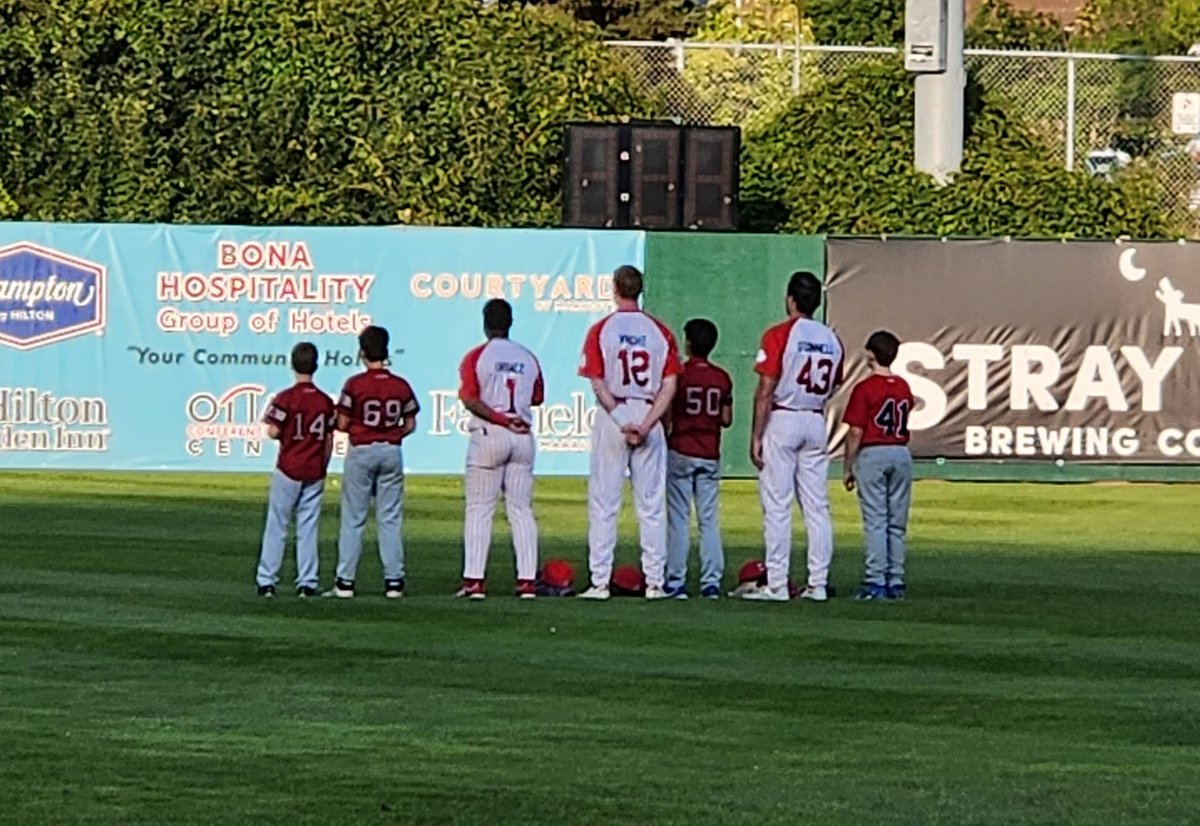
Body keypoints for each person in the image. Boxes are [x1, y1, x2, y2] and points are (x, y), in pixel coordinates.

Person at [577, 265, 682, 601]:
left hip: (614, 413)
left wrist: (624, 419)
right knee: (651, 504)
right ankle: (654, 582)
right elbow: (670, 384)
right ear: (639, 290)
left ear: (614, 289)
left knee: (604, 501)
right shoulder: (659, 331)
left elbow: (597, 381)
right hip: (647, 409)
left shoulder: (601, 329)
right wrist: (648, 422)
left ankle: (600, 582)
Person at [745, 271, 844, 603]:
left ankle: (776, 583)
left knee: (777, 505)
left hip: (784, 416)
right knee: (817, 507)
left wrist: (756, 435)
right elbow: (836, 383)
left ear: (790, 299)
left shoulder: (780, 334)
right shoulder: (832, 339)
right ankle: (817, 583)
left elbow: (765, 389)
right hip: (815, 418)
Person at [455, 298, 544, 601]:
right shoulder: (528, 357)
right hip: (522, 434)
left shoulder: (476, 356)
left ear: (485, 323)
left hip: (490, 432)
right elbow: (538, 397)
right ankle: (527, 582)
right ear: (510, 323)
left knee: (480, 509)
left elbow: (469, 398)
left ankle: (475, 582)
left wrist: (499, 417)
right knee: (521, 510)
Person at [327, 325, 419, 599]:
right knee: (389, 519)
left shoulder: (355, 384)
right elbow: (410, 423)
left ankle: (345, 582)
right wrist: (390, 434)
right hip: (391, 449)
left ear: (362, 352)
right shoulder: (400, 385)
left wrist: (363, 429)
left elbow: (342, 422)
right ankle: (394, 582)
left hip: (362, 448)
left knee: (353, 518)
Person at [255, 342, 336, 598]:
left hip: (289, 466)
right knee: (308, 527)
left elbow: (273, 430)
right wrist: (324, 465)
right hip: (314, 467)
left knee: (277, 525)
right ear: (316, 365)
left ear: (292, 365)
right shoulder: (324, 401)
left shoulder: (285, 398)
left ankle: (267, 580)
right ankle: (307, 582)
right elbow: (329, 438)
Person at [842, 331, 914, 601]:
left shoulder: (865, 388)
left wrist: (848, 466)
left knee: (876, 521)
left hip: (874, 452)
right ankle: (895, 580)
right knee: (896, 523)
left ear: (871, 353)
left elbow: (856, 432)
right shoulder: (904, 386)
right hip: (900, 451)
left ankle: (875, 582)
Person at [664, 318, 732, 601]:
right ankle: (711, 582)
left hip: (681, 447)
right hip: (709, 451)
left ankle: (676, 581)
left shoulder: (679, 374)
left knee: (679, 520)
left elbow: (668, 414)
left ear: (689, 343)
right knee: (709, 521)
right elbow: (726, 419)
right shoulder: (722, 377)